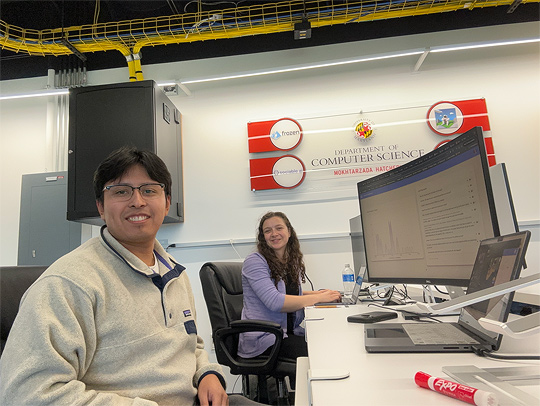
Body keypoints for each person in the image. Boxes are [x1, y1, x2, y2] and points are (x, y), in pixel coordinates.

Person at [0, 146, 251, 405]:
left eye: (149, 190)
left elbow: (190, 345)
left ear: (166, 203)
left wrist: (207, 373)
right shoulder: (67, 284)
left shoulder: (174, 272)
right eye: (121, 191)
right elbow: (26, 394)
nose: (137, 201)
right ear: (100, 206)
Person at [239, 211, 341, 363]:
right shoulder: (255, 261)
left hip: (286, 333)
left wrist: (321, 294)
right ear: (263, 237)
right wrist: (318, 298)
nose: (274, 234)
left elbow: (286, 292)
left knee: (331, 343)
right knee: (323, 355)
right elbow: (275, 301)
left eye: (279, 228)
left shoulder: (288, 261)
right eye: (268, 231)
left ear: (289, 231)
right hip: (265, 338)